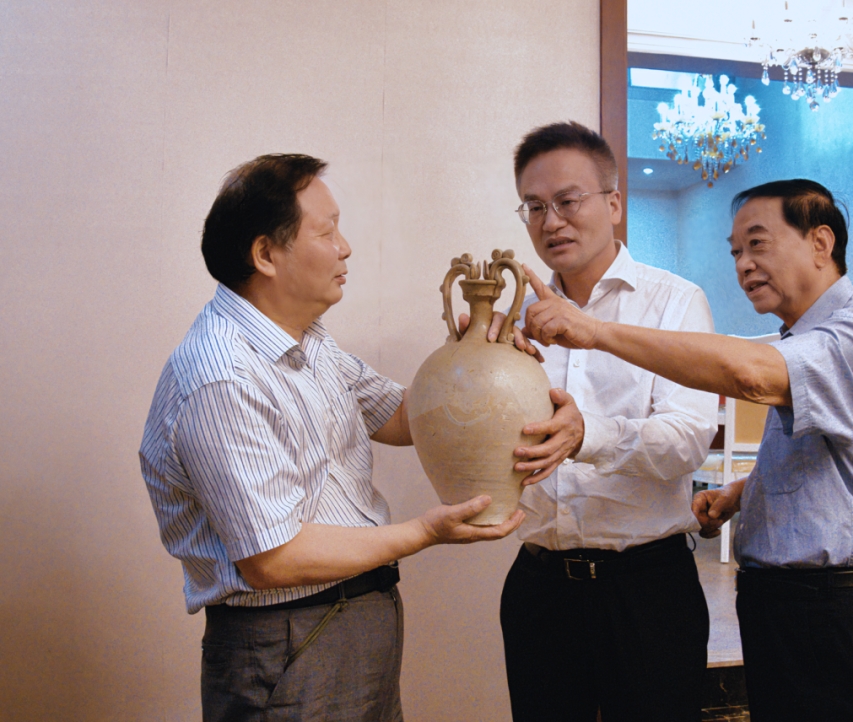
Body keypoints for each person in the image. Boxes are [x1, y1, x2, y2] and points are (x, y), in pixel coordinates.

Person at [139, 154, 570, 722]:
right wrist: (424, 532)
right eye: (327, 232)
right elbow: (272, 558)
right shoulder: (222, 376)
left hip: (357, 617)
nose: (345, 248)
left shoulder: (310, 343)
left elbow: (407, 419)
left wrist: (473, 360)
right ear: (265, 254)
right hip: (287, 640)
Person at [523, 178, 853, 722]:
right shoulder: (803, 339)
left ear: (821, 243)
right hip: (789, 600)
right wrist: (744, 492)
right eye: (736, 252)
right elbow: (836, 463)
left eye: (758, 244)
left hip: (839, 605)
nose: (744, 265)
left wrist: (595, 332)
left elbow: (748, 375)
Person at [493, 122, 719, 722]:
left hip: (646, 588)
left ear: (613, 204)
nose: (551, 222)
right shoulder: (515, 319)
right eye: (534, 207)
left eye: (568, 201)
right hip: (539, 586)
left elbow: (687, 440)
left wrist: (585, 435)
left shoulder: (674, 302)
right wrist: (475, 366)